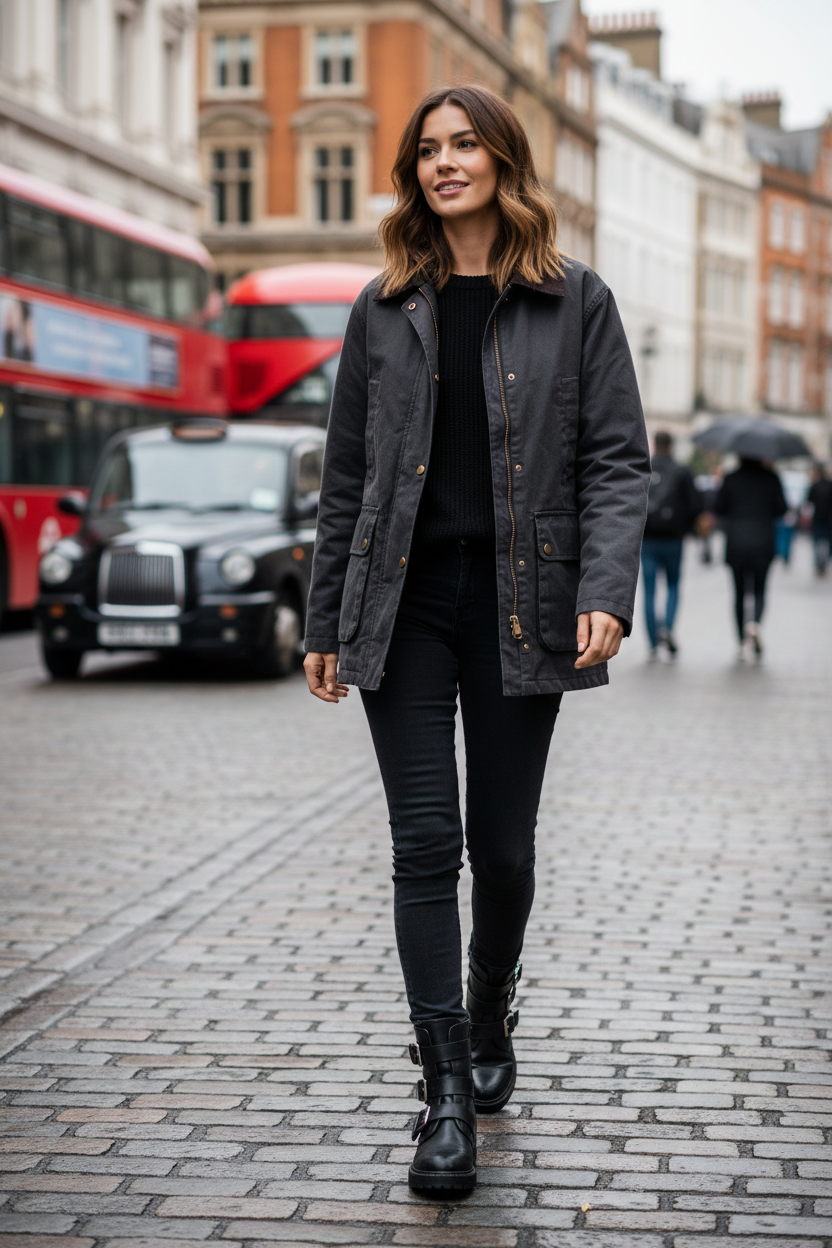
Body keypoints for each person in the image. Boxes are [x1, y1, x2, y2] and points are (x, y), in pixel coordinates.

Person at [302, 85, 650, 1193]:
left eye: (463, 146)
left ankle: (492, 1003)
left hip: (519, 602)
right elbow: (345, 477)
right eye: (428, 151)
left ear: (502, 158)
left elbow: (613, 459)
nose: (444, 163)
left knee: (500, 851)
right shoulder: (381, 305)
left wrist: (603, 586)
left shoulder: (573, 299)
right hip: (401, 607)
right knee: (423, 846)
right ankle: (443, 1091)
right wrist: (324, 617)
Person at [715, 457, 787, 659]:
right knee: (759, 590)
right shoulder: (772, 478)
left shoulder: (731, 479)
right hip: (763, 542)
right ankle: (754, 624)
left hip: (736, 542)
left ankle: (740, 641)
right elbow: (782, 508)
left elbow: (718, 507)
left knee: (738, 593)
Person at [640, 431, 702, 658]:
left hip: (647, 539)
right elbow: (696, 505)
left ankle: (653, 644)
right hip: (674, 540)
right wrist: (685, 528)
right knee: (673, 586)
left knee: (649, 591)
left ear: (655, 445)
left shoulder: (643, 467)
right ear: (672, 446)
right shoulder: (682, 471)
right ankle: (666, 627)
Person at [807, 464, 832, 576]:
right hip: (829, 519)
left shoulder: (814, 486)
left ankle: (819, 564)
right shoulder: (830, 485)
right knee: (827, 542)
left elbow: (808, 502)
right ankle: (824, 563)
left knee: (817, 542)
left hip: (818, 518)